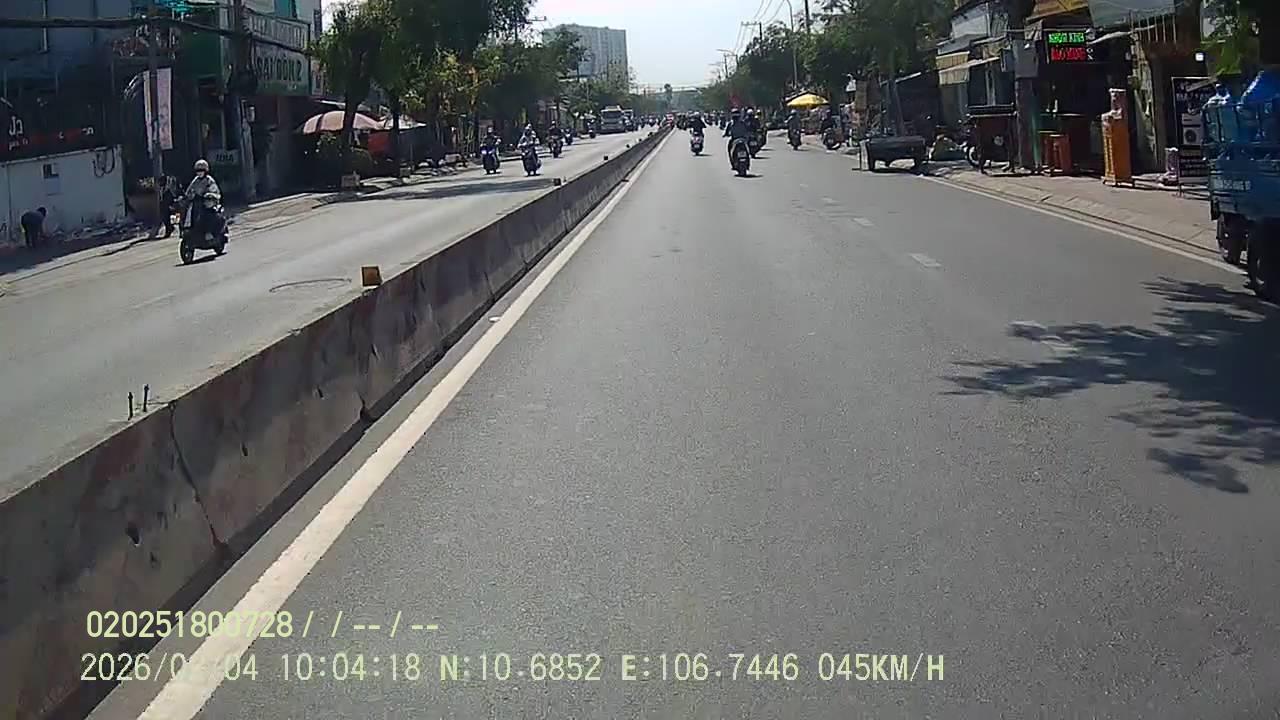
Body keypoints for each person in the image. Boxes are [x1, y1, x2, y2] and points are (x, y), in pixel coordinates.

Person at [183, 159, 221, 239]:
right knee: (189, 212)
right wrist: (187, 196)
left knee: (209, 214)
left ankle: (209, 231)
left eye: (201, 170)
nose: (199, 172)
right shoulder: (195, 180)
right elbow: (189, 190)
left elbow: (214, 190)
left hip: (208, 202)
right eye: (198, 171)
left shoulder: (209, 180)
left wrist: (209, 194)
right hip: (197, 202)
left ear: (205, 171)